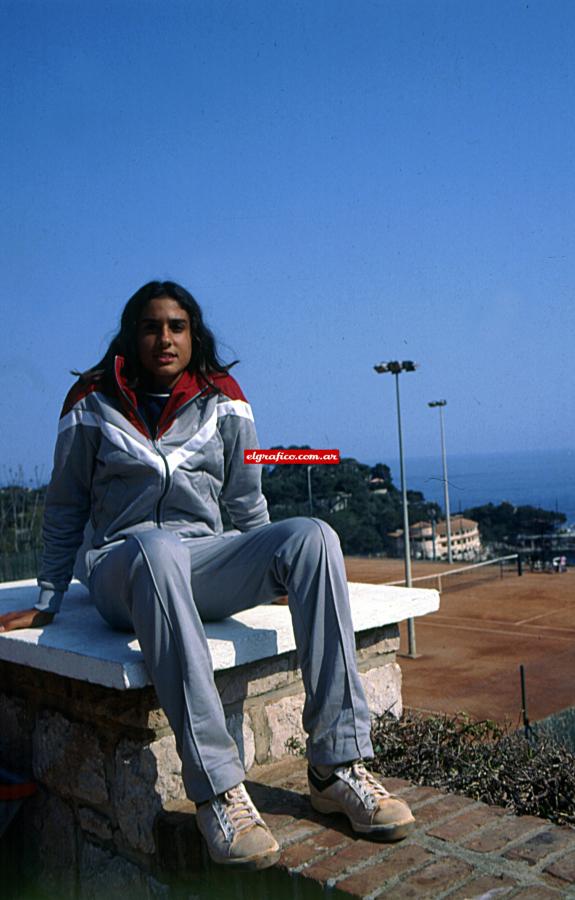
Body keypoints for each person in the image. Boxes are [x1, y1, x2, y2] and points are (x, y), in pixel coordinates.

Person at [0, 280, 414, 869]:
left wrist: (273, 569)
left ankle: (337, 765)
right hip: (128, 566)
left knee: (314, 537)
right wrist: (47, 600)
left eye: (176, 326)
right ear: (131, 335)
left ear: (194, 336)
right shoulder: (89, 401)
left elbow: (247, 504)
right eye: (151, 326)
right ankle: (218, 790)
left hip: (204, 557)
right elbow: (65, 507)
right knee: (156, 548)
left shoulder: (225, 398)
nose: (164, 337)